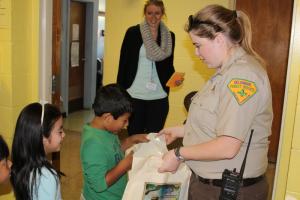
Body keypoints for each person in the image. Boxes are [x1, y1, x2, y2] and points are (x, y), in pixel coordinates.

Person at [158, 4, 273, 200]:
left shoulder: (242, 77)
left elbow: (227, 146)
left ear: (219, 39)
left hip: (229, 190)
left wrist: (178, 154)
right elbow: (216, 123)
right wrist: (181, 130)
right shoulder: (224, 73)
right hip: (211, 186)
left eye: (198, 45)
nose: (196, 53)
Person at [117, 0, 180, 136]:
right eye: (149, 13)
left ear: (162, 14)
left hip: (159, 96)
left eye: (157, 13)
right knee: (135, 136)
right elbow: (123, 64)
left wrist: (175, 79)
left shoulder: (170, 37)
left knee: (153, 139)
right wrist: (120, 93)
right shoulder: (133, 33)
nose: (153, 17)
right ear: (145, 14)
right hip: (134, 95)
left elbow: (168, 66)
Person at [80, 84, 149, 200]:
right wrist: (126, 164)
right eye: (125, 120)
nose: (127, 125)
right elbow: (99, 185)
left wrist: (130, 140)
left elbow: (112, 152)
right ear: (108, 118)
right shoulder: (92, 144)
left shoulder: (107, 130)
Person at [10, 103, 65, 200]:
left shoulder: (23, 167)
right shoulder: (46, 177)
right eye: (60, 131)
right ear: (43, 137)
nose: (64, 134)